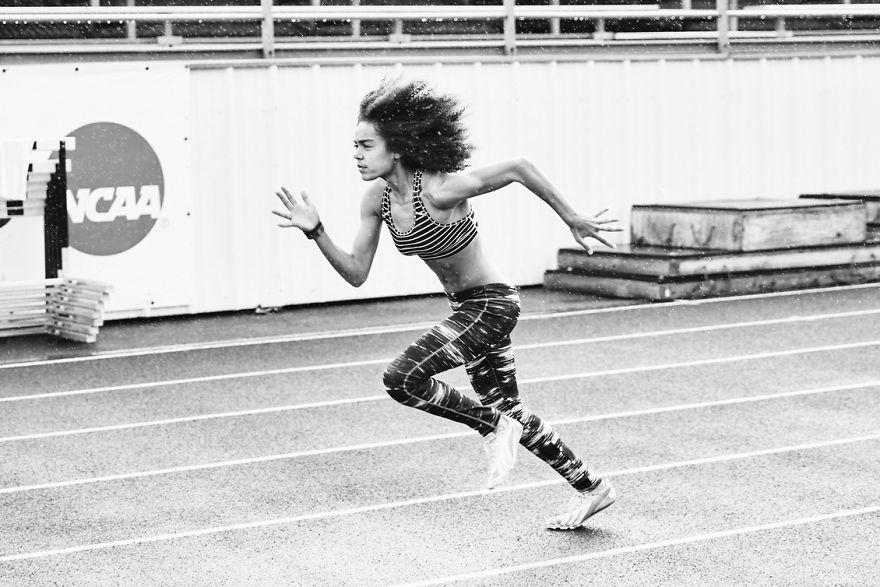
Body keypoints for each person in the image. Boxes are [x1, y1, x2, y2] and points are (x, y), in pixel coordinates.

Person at [273, 78, 621, 530]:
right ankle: (593, 487)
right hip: (466, 309)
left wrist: (571, 216)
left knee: (402, 378)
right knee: (510, 410)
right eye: (353, 145)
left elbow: (519, 167)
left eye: (365, 144)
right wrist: (316, 231)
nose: (355, 154)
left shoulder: (437, 190)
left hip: (493, 305)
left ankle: (490, 426)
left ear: (395, 147)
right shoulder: (376, 199)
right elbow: (356, 273)